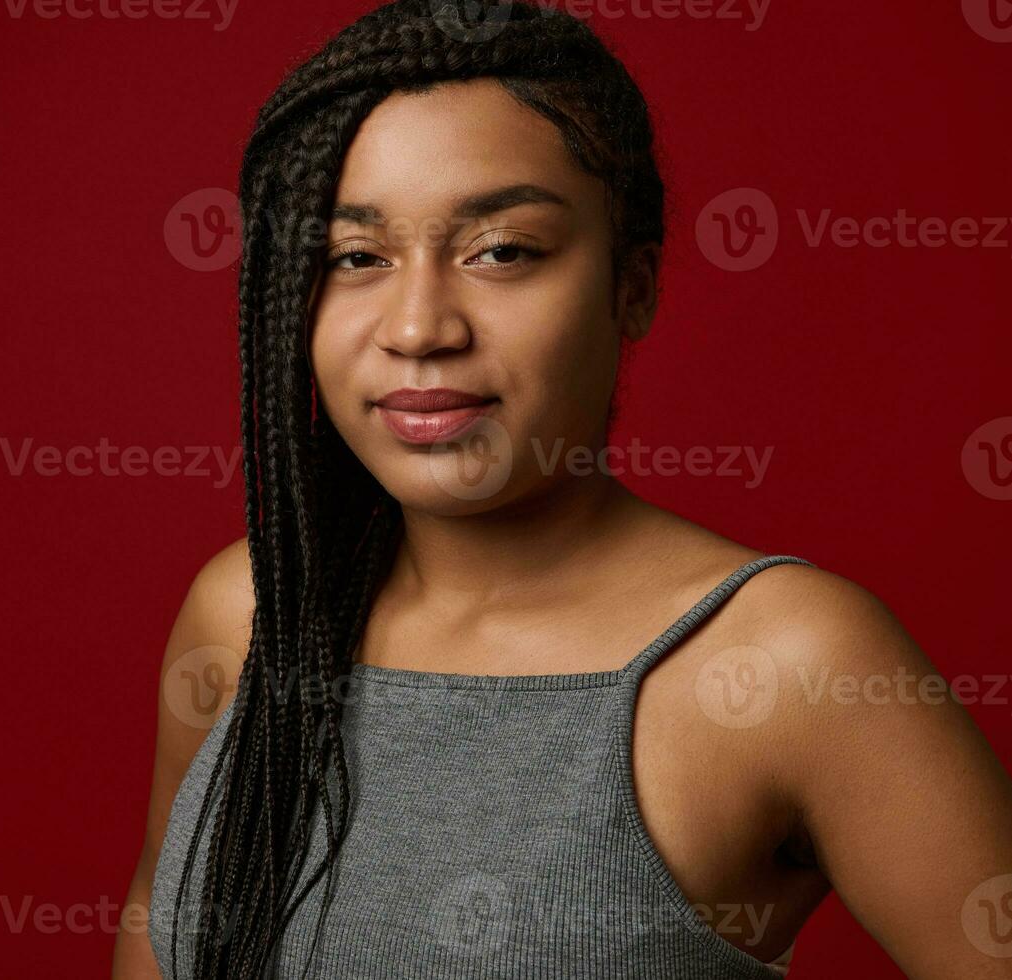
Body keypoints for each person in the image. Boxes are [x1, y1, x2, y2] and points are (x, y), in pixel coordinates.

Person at [112, 2, 1012, 977]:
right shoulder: (247, 609)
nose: (418, 327)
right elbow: (157, 929)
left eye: (502, 249)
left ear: (634, 284)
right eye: (354, 256)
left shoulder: (788, 658)